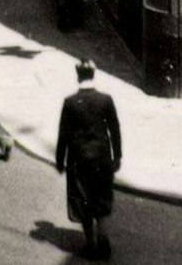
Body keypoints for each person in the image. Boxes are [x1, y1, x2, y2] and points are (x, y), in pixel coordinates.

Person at [54, 59, 124, 259]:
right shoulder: (106, 100)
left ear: (78, 76)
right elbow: (115, 129)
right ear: (93, 75)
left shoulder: (70, 102)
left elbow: (64, 134)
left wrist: (60, 160)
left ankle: (91, 245)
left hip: (79, 160)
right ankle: (104, 241)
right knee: (101, 199)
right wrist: (117, 156)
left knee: (83, 201)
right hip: (102, 158)